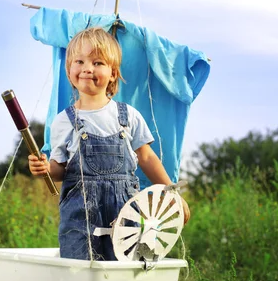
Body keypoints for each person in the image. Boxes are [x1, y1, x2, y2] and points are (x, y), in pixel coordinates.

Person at [28, 26, 190, 260]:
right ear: (69, 70)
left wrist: (172, 194)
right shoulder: (63, 120)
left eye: (97, 63)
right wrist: (46, 169)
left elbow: (146, 157)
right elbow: (59, 169)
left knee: (123, 271)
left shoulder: (128, 116)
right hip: (79, 220)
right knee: (80, 273)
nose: (87, 69)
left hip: (125, 217)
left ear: (113, 73)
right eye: (79, 61)